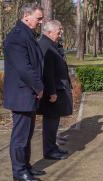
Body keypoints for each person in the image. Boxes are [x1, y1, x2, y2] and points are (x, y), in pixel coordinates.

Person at [3, 3, 45, 181]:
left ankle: (25, 165)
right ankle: (19, 171)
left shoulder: (27, 35)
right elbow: (24, 68)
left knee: (27, 134)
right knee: (20, 136)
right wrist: (39, 87)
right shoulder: (17, 36)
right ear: (26, 16)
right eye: (39, 18)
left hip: (28, 94)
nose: (41, 22)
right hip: (22, 94)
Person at [37, 20, 73, 160]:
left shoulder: (51, 45)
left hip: (56, 89)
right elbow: (47, 72)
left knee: (53, 120)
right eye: (59, 31)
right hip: (52, 92)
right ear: (49, 32)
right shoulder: (45, 46)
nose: (60, 33)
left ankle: (52, 147)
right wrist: (52, 92)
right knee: (50, 122)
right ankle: (49, 151)